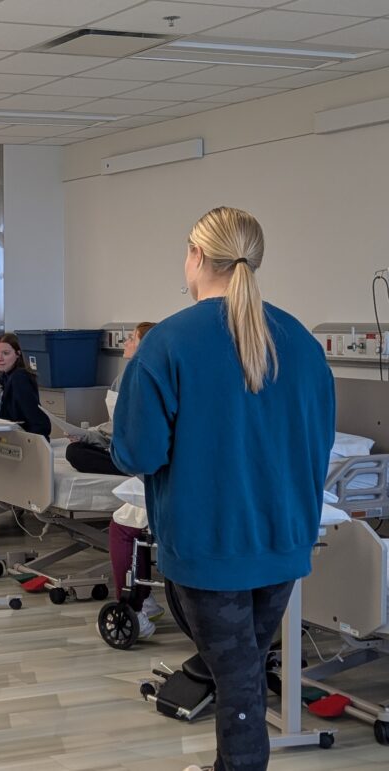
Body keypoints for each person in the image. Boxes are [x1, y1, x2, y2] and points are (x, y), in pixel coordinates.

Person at [110, 207, 335, 771]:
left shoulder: (169, 343)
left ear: (195, 256)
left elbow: (138, 453)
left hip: (208, 547)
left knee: (237, 684)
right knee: (244, 674)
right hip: (283, 542)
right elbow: (319, 440)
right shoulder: (303, 344)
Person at [64, 322, 163, 636]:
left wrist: (96, 439)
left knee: (123, 528)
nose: (126, 342)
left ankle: (136, 607)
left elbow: (131, 431)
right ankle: (144, 601)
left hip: (155, 470)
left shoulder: (141, 378)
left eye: (132, 337)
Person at [65, 322, 155, 476]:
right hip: (120, 445)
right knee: (76, 449)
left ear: (145, 345)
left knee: (76, 453)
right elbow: (114, 426)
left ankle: (133, 469)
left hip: (140, 452)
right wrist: (87, 435)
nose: (125, 342)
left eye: (132, 339)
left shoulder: (151, 380)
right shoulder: (121, 379)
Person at [0, 332, 52, 439]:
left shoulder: (19, 378)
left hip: (29, 437)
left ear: (17, 354)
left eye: (6, 353)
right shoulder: (4, 377)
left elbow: (35, 418)